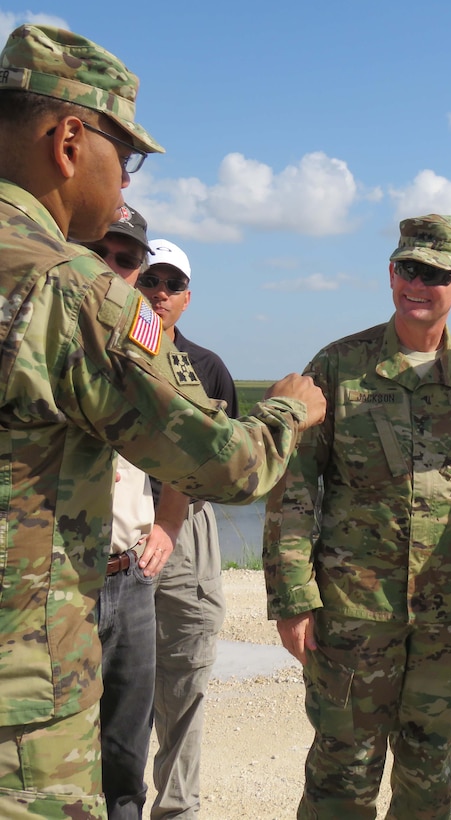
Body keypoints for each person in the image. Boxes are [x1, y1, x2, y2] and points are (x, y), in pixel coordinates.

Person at [0, 24, 325, 818]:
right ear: (71, 140)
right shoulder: (74, 293)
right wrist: (290, 410)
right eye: (128, 158)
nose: (125, 190)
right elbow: (226, 465)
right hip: (21, 711)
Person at [264, 214, 451, 819]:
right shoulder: (338, 368)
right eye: (410, 268)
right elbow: (294, 491)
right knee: (343, 770)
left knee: (429, 768)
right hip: (354, 611)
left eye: (437, 274)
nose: (420, 283)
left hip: (443, 613)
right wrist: (291, 598)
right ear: (391, 273)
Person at [77, 205, 187, 819]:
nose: (112, 271)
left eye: (126, 261)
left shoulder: (150, 343)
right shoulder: (38, 321)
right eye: (100, 254)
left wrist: (169, 523)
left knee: (125, 757)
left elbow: (188, 436)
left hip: (128, 575)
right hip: (57, 578)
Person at [135, 238, 237, 819]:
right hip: (114, 522)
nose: (159, 293)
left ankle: (177, 811)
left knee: (186, 677)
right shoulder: (105, 352)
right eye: (149, 279)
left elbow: (219, 460)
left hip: (186, 529)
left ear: (187, 297)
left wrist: (173, 519)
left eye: (171, 284)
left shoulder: (207, 368)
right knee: (113, 679)